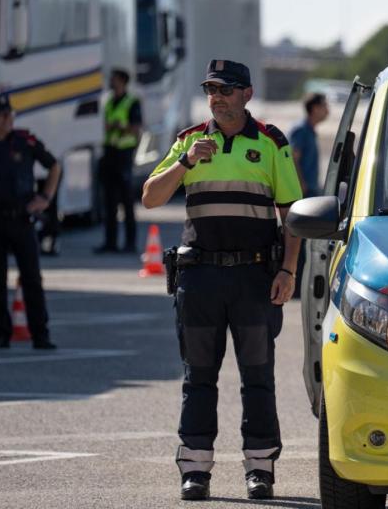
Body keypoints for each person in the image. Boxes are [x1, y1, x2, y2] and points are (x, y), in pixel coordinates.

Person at [142, 59, 302, 501]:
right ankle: (195, 471)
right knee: (198, 378)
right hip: (200, 280)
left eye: (226, 89)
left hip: (254, 278)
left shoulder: (271, 143)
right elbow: (151, 197)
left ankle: (260, 470)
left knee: (258, 378)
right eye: (211, 89)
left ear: (247, 94)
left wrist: (288, 271)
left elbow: (292, 217)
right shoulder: (189, 141)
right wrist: (185, 165)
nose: (218, 97)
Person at [0, 94, 60, 350]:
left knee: (32, 279)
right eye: (3, 115)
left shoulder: (25, 141)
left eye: (10, 114)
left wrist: (45, 197)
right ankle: (0, 334)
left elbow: (54, 166)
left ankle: (40, 335)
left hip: (22, 219)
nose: (8, 118)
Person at [96, 68, 142, 253]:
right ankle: (110, 242)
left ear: (123, 81)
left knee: (127, 201)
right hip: (109, 153)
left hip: (124, 154)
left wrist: (119, 126)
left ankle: (130, 244)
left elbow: (136, 129)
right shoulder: (108, 102)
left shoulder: (132, 102)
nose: (111, 81)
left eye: (114, 78)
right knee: (109, 202)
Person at [287, 93, 328, 297]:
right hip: (302, 192)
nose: (327, 110)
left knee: (306, 242)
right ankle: (295, 284)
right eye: (324, 106)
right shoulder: (300, 130)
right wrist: (300, 185)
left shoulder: (310, 131)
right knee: (299, 240)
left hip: (311, 191)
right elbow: (293, 158)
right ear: (315, 108)